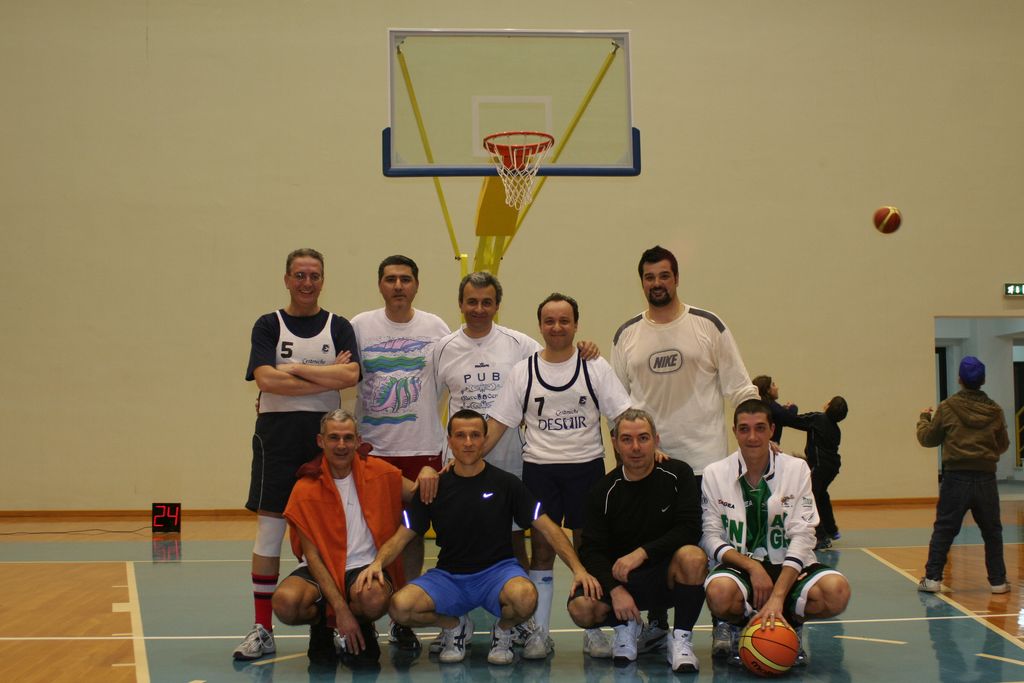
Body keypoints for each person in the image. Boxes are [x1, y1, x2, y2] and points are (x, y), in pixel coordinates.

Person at [356, 410, 602, 665]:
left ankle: (504, 630)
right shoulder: (434, 486)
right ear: (449, 441)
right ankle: (454, 626)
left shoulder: (507, 484)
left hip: (498, 573)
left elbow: (549, 528)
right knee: (400, 608)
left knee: (526, 597)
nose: (468, 442)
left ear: (485, 440)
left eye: (475, 435)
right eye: (460, 435)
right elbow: (401, 537)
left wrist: (578, 569)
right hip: (449, 576)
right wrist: (377, 563)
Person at [611, 245, 758, 652]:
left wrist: (757, 433)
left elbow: (740, 387)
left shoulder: (707, 325)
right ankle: (658, 623)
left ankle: (725, 622)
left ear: (676, 278)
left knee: (713, 546)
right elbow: (617, 405)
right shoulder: (626, 334)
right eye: (649, 277)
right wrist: (630, 454)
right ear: (641, 282)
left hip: (706, 461)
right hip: (651, 466)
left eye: (664, 275)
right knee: (657, 546)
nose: (657, 283)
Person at [486, 292, 632, 658]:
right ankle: (540, 633)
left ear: (576, 325)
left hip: (587, 469)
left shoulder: (594, 366)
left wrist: (638, 459)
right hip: (540, 471)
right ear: (540, 326)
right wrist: (464, 457)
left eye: (564, 320)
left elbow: (622, 418)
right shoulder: (524, 371)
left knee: (588, 552)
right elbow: (498, 424)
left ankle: (593, 631)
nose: (557, 327)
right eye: (549, 321)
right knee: (542, 552)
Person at [235, 248, 361, 661]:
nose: (307, 282)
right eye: (300, 275)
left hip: (325, 439)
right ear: (287, 279)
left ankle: (333, 622)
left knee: (329, 531)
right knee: (269, 532)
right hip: (277, 438)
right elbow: (266, 381)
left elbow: (350, 374)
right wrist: (324, 377)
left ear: (323, 280)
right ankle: (262, 629)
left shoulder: (338, 325)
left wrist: (292, 370)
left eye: (315, 275)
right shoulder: (268, 324)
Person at [270, 410, 438, 665]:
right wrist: (340, 611)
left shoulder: (382, 473)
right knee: (286, 603)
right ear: (320, 441)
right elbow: (312, 557)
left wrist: (428, 471)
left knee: (373, 598)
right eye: (333, 438)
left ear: (358, 441)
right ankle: (322, 626)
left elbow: (419, 496)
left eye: (348, 438)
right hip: (322, 569)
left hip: (365, 567)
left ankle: (362, 624)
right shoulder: (304, 487)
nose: (341, 445)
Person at [701, 399, 851, 666]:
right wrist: (752, 567)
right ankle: (742, 625)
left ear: (772, 430)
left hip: (788, 565)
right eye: (744, 429)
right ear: (735, 432)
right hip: (742, 566)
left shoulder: (796, 469)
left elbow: (804, 535)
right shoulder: (715, 473)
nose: (752, 437)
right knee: (719, 593)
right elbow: (709, 536)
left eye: (760, 428)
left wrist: (778, 596)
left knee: (836, 592)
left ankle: (790, 623)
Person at [351, 254, 451, 649]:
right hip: (373, 450)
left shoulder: (435, 327)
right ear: (380, 284)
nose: (398, 286)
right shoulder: (359, 326)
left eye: (405, 279)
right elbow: (340, 375)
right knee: (371, 534)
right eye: (390, 279)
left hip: (422, 449)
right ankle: (365, 611)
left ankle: (402, 617)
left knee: (412, 534)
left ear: (416, 285)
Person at [568, 409, 708, 672]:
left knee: (693, 557)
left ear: (656, 440)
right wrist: (614, 590)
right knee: (581, 608)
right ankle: (626, 625)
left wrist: (643, 552)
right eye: (627, 439)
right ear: (615, 443)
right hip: (622, 579)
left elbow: (690, 529)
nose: (635, 447)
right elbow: (591, 550)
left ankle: (681, 640)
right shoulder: (602, 491)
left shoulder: (678, 474)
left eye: (643, 438)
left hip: (666, 576)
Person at [916, 356, 1010, 595]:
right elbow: (1003, 444)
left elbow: (928, 439)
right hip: (986, 478)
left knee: (944, 529)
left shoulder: (947, 407)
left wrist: (924, 419)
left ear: (960, 379)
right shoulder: (995, 410)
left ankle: (932, 578)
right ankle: (998, 582)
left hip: (955, 478)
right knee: (992, 531)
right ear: (983, 380)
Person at [789, 396, 849, 549]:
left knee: (811, 498)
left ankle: (821, 537)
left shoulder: (818, 419)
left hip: (819, 467)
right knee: (822, 495)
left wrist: (790, 410)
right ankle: (831, 529)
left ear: (828, 406)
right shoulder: (836, 429)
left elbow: (794, 420)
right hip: (832, 467)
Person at [752, 375, 799, 445]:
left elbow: (779, 414)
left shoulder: (759, 404)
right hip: (767, 447)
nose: (777, 388)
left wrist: (783, 408)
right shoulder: (770, 405)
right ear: (768, 390)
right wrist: (793, 406)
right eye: (773, 385)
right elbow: (788, 417)